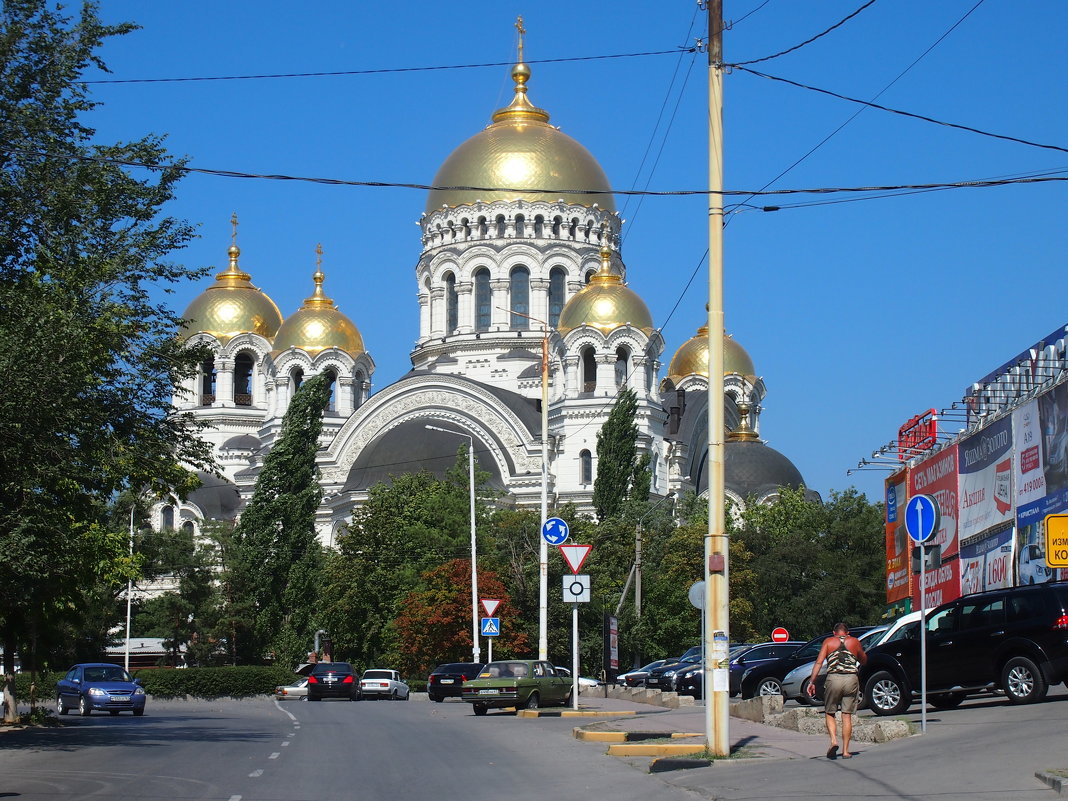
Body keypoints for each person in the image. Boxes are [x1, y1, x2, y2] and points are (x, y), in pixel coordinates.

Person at [807, 622, 867, 759]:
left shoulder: (828, 642)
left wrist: (812, 681)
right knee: (846, 715)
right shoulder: (854, 641)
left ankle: (834, 741)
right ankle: (846, 751)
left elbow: (819, 662)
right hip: (851, 679)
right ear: (847, 633)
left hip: (833, 679)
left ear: (834, 633)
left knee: (830, 712)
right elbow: (863, 660)